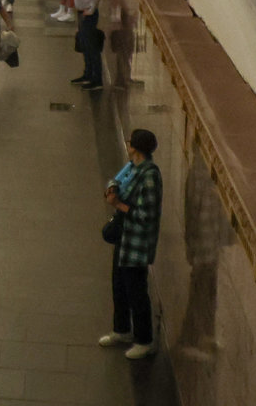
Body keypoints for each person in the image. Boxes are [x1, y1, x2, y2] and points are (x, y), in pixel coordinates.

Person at [100, 129, 163, 359]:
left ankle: (144, 340)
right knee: (119, 286)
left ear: (136, 147)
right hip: (123, 240)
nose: (128, 144)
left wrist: (118, 204)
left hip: (136, 245)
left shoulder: (150, 177)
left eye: (130, 142)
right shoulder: (133, 167)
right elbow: (116, 179)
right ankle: (122, 330)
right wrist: (112, 189)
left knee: (137, 292)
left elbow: (147, 215)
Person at [69, 0, 103, 90]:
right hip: (82, 14)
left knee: (91, 47)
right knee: (85, 45)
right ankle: (87, 74)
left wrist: (91, 10)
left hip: (88, 15)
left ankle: (97, 79)